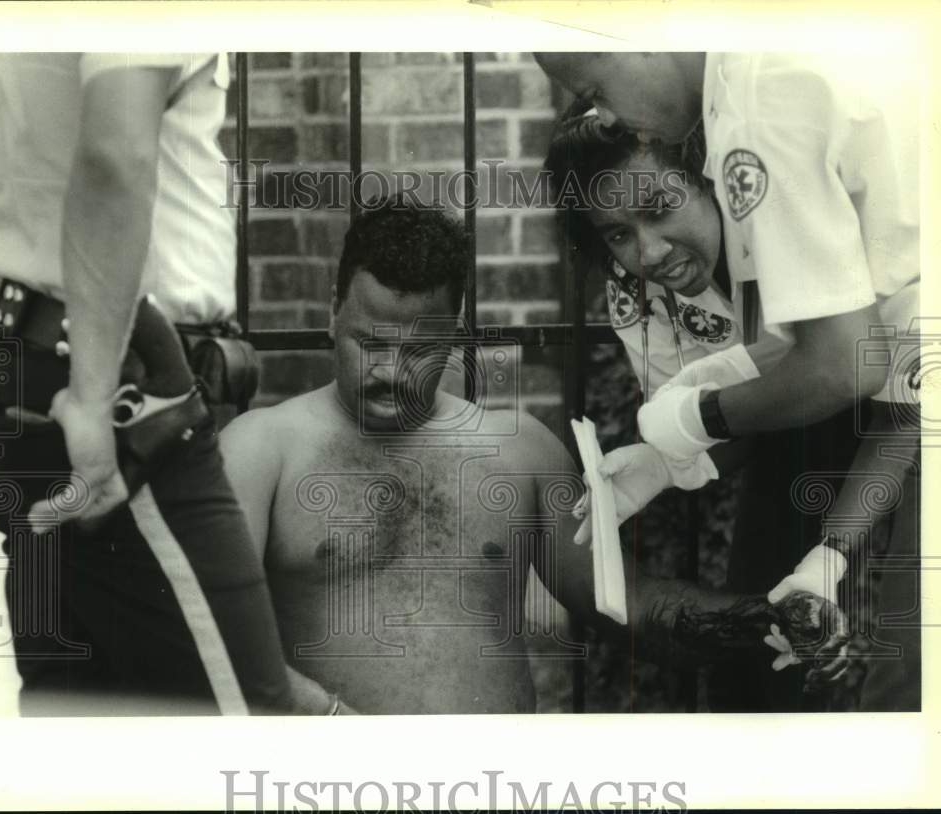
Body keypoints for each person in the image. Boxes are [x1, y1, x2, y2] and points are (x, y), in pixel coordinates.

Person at [219, 198, 851, 714]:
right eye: (368, 343)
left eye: (417, 350)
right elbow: (204, 633)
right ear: (333, 316)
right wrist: (325, 722)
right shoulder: (260, 450)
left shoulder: (518, 451)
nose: (389, 372)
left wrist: (770, 617)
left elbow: (633, 607)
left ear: (455, 336)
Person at [536, 52, 921, 711]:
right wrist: (667, 462)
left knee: (908, 667)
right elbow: (760, 408)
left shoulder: (765, 159)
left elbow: (871, 386)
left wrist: (688, 427)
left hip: (886, 387)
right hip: (818, 412)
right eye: (618, 236)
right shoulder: (639, 299)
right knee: (771, 654)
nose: (650, 251)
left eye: (661, 207)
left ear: (703, 176)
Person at [0, 53, 338, 715]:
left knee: (89, 733)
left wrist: (13, 330)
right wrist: (92, 395)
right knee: (243, 730)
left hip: (37, 362)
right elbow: (114, 154)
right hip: (113, 394)